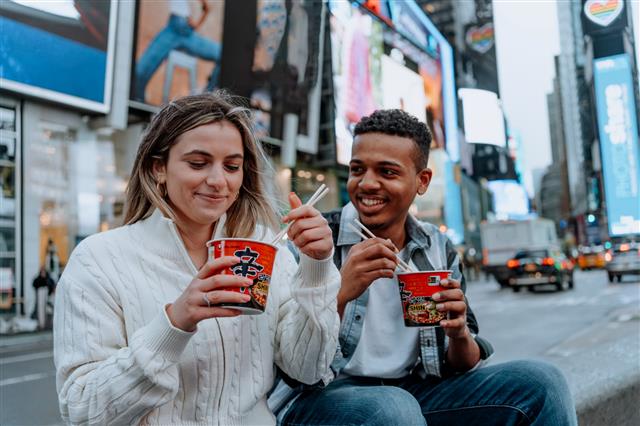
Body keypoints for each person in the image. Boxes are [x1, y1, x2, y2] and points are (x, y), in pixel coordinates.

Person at [270, 109, 577, 425]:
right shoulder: (315, 241)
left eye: (387, 172)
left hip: (414, 393)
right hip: (322, 397)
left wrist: (458, 333)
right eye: (357, 169)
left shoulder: (435, 246)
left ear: (422, 181)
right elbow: (294, 368)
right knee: (392, 408)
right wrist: (340, 290)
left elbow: (458, 364)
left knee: (543, 382)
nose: (367, 184)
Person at [53, 91, 340, 425]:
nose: (219, 181)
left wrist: (317, 268)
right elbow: (83, 409)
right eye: (198, 163)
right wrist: (174, 324)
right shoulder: (98, 260)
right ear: (158, 168)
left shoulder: (264, 245)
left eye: (232, 166)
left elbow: (307, 368)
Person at [134, 0, 221, 102]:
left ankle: (207, 98)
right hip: (173, 28)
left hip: (185, 31)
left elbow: (207, 8)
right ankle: (138, 101)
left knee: (221, 53)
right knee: (139, 71)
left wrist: (197, 23)